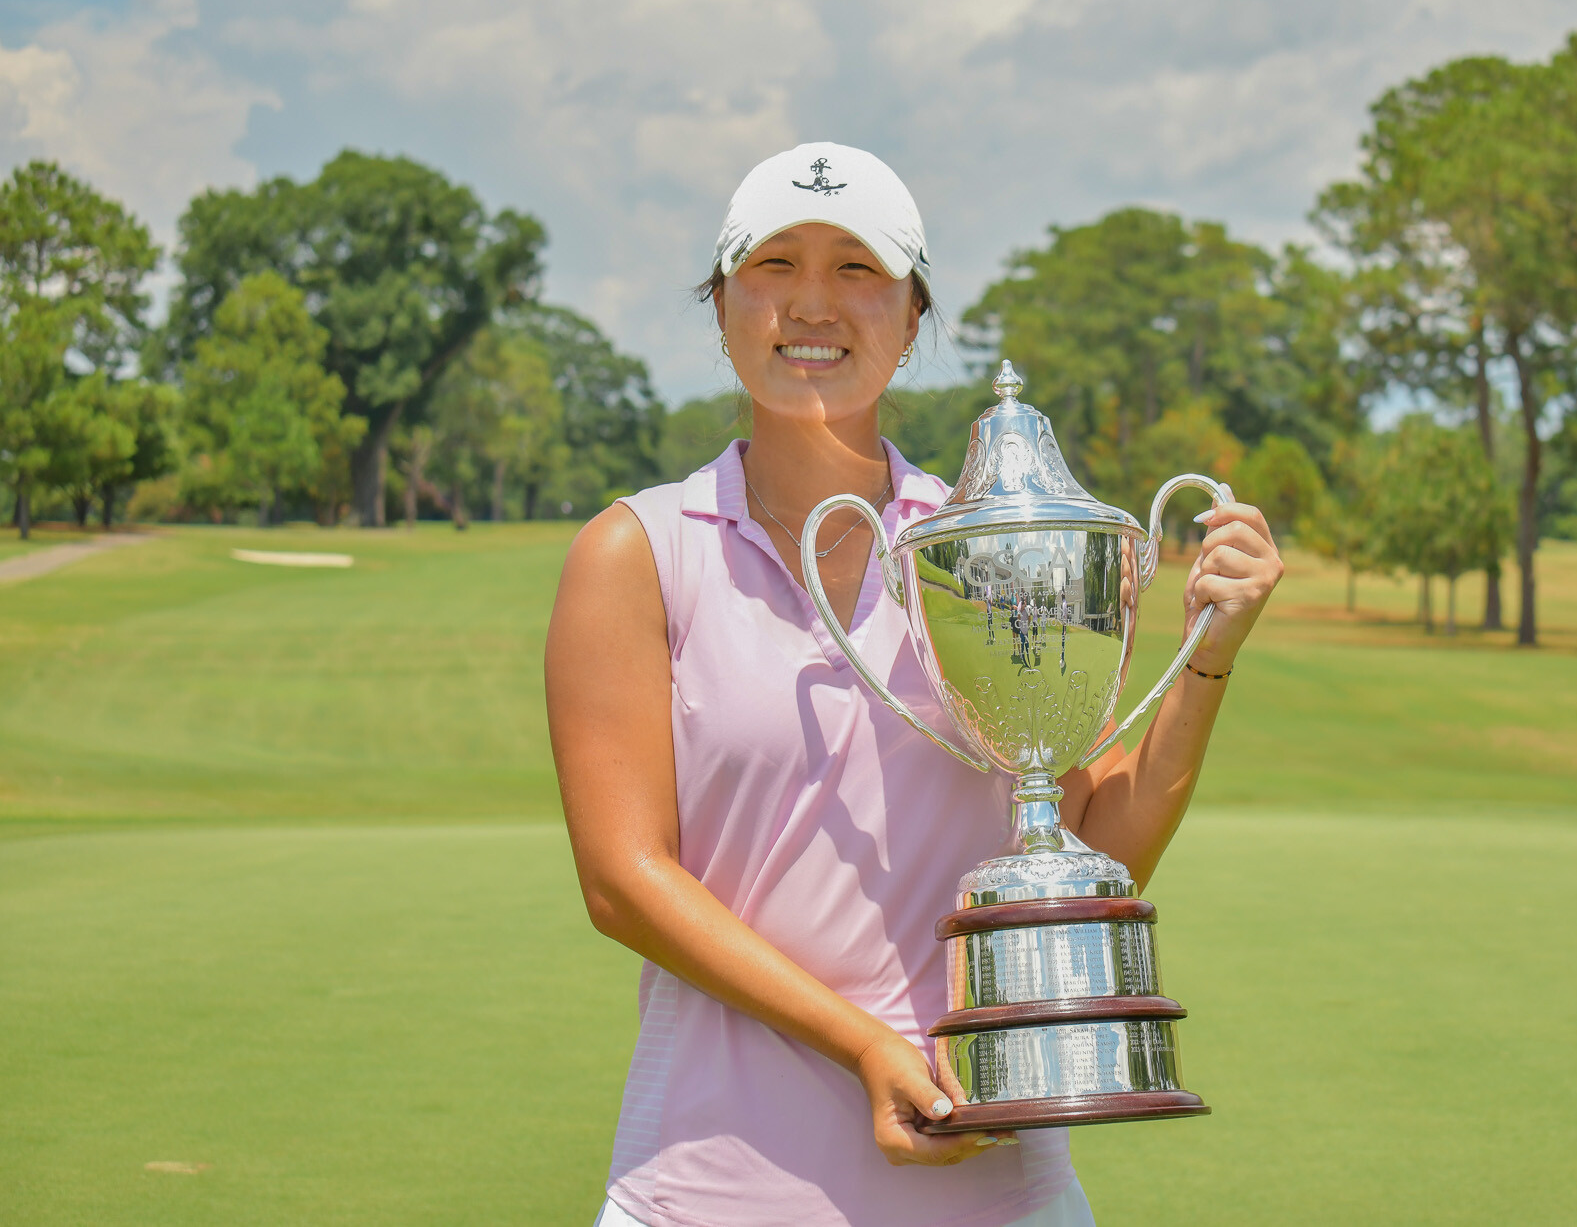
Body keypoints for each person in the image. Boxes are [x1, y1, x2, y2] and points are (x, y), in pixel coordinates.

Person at [545, 142, 1284, 1227]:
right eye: (773, 265)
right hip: (707, 1193)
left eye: (856, 270)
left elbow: (1093, 844)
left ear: (910, 315)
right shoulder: (638, 552)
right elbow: (623, 880)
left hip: (996, 1193)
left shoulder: (988, 547)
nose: (811, 303)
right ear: (720, 304)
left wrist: (1207, 654)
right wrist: (864, 1048)